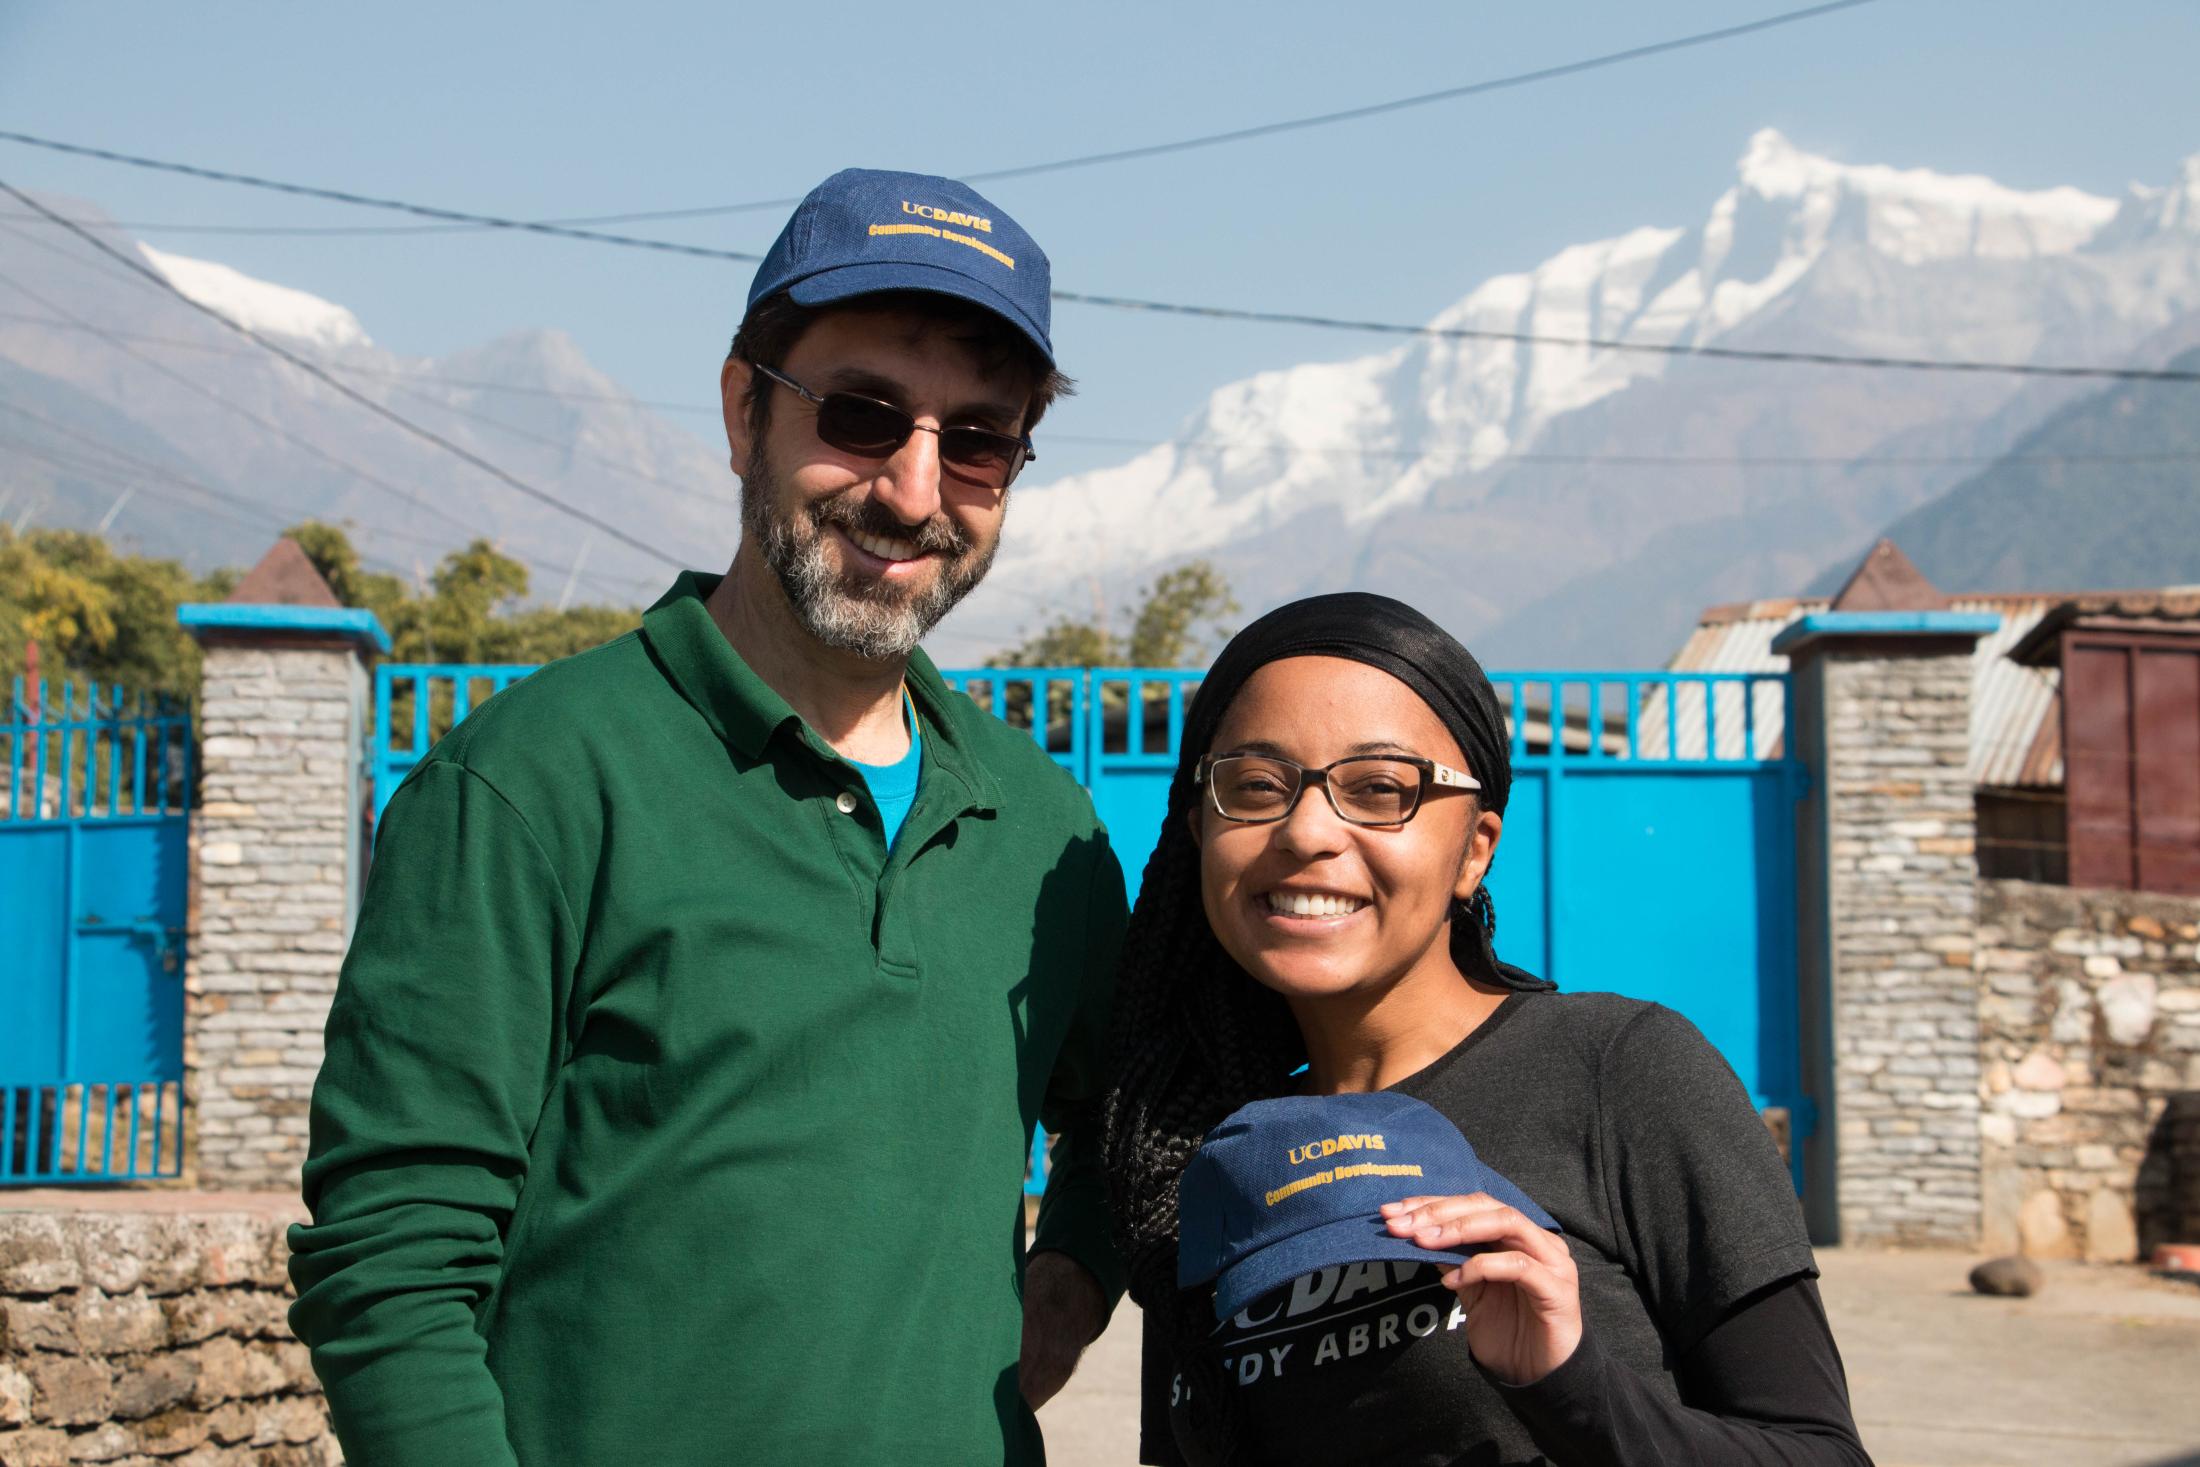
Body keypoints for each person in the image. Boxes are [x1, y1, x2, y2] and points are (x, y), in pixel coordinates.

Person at [288, 169, 1125, 1466]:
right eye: (862, 413)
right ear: (744, 409)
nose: (914, 492)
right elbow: (394, 1253)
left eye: (976, 441)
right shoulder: (533, 781)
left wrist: (1074, 1260)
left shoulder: (1041, 829)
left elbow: (1134, 1106)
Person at [1102, 592, 1871, 1467]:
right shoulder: (1206, 1158)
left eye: (1381, 788)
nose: (1308, 830)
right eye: (1255, 786)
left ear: (1475, 848)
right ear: (1201, 825)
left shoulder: (1619, 1074)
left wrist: (1570, 1385)